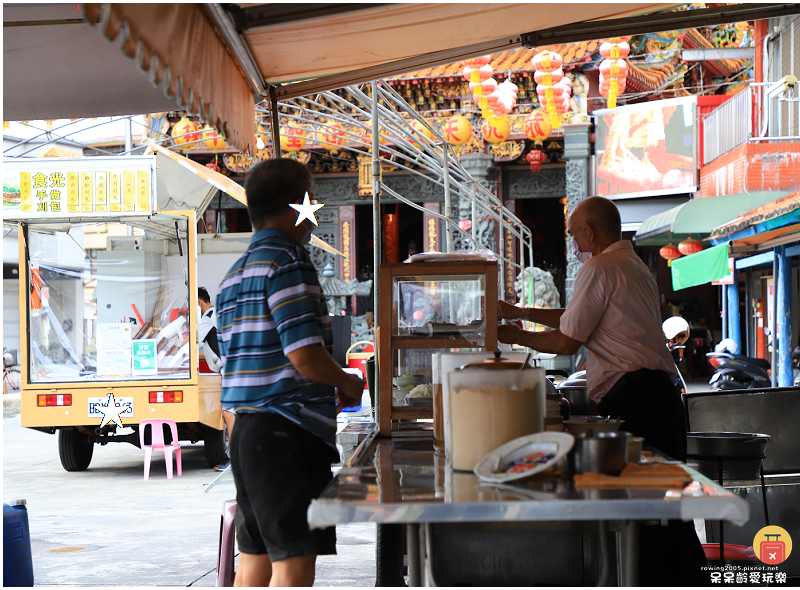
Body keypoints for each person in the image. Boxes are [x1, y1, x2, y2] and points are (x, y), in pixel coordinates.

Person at [496, 196, 707, 586]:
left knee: (643, 518)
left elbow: (566, 342)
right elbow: (576, 315)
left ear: (589, 231)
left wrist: (512, 334)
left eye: (575, 234)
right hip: (660, 398)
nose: (574, 243)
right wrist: (521, 313)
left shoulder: (598, 267)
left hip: (638, 403)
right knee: (670, 515)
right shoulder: (633, 266)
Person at [216, 158, 364, 587]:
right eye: (310, 199)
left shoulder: (234, 275)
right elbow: (304, 356)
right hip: (285, 434)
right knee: (294, 566)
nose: (313, 209)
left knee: (255, 561)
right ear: (297, 203)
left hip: (245, 435)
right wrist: (347, 381)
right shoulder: (287, 261)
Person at [198, 287, 233, 471]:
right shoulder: (218, 314)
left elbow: (194, 342)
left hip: (230, 369)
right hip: (231, 367)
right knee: (231, 412)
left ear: (198, 302)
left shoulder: (208, 316)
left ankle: (237, 458)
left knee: (229, 413)